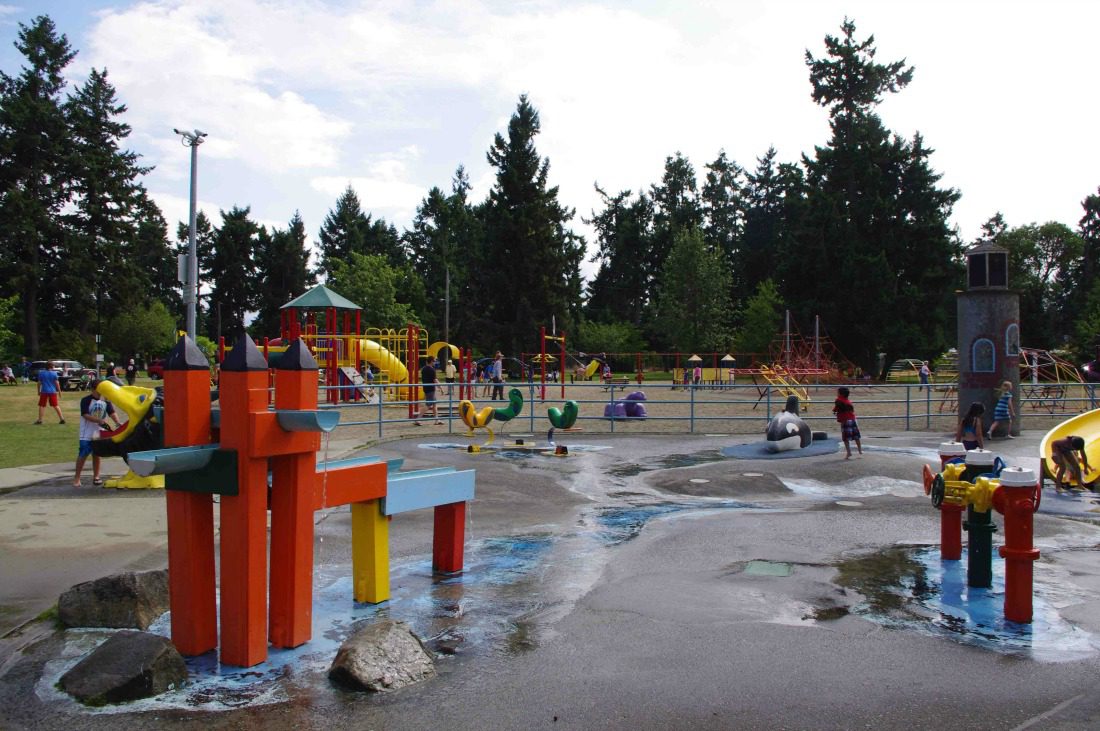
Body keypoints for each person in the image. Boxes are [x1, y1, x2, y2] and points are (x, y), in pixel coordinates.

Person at [73, 379, 121, 487]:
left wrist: (118, 423)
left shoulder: (105, 401)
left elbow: (112, 412)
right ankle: (77, 478)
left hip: (99, 432)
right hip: (86, 432)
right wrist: (98, 420)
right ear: (94, 389)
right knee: (83, 453)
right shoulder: (86, 400)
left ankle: (96, 476)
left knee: (97, 453)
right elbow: (85, 415)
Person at [832, 386, 862, 459]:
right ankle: (860, 450)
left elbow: (836, 409)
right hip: (853, 419)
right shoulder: (848, 401)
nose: (837, 393)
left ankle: (849, 452)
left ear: (841, 394)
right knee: (856, 436)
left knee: (845, 438)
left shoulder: (838, 400)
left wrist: (834, 411)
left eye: (838, 392)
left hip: (845, 420)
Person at [415, 360, 442, 426]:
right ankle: (417, 419)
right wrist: (440, 387)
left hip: (426, 388)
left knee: (434, 404)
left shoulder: (423, 369)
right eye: (434, 361)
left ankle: (437, 420)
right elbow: (435, 379)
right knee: (428, 405)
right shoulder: (432, 370)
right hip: (431, 389)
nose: (434, 363)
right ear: (431, 362)